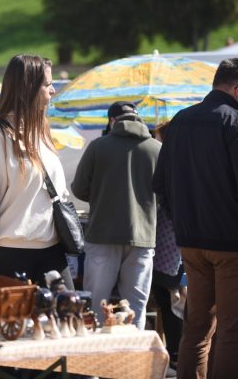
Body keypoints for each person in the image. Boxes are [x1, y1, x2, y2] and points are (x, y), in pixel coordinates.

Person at [153, 58, 238, 379]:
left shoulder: (180, 121)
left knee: (196, 329)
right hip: (236, 246)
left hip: (192, 243)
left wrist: (183, 223)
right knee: (233, 334)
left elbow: (161, 184)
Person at [0, 54, 75, 289]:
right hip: (11, 255)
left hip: (52, 253)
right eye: (47, 84)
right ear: (29, 88)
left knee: (71, 309)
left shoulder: (41, 132)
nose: (53, 90)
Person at [71, 101, 160, 330]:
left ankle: (96, 353)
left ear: (112, 121)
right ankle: (133, 352)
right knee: (135, 310)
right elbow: (168, 194)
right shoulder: (156, 149)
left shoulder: (98, 146)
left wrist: (102, 197)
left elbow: (79, 188)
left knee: (96, 307)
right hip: (142, 237)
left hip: (102, 234)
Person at [150, 121, 184, 373]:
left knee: (171, 300)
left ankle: (175, 355)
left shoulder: (171, 162)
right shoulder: (183, 160)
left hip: (170, 243)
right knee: (170, 299)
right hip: (173, 244)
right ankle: (175, 355)